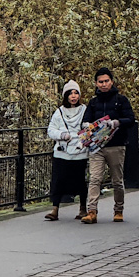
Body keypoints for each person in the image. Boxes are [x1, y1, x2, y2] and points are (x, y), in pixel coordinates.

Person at [81, 67, 137, 223]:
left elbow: (131, 119)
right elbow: (85, 120)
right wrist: (86, 125)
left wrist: (117, 122)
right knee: (94, 178)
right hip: (97, 147)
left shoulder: (121, 100)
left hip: (116, 145)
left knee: (117, 180)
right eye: (100, 82)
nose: (104, 84)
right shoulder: (93, 102)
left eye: (106, 81)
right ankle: (92, 211)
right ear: (96, 83)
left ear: (111, 81)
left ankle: (118, 210)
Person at [45, 80, 89, 221]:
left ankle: (83, 208)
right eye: (70, 93)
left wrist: (84, 136)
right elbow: (51, 130)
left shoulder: (84, 110)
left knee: (80, 180)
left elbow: (89, 127)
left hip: (79, 152)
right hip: (62, 151)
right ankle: (55, 209)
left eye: (76, 93)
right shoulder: (59, 112)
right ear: (65, 96)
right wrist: (61, 136)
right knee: (58, 180)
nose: (73, 96)